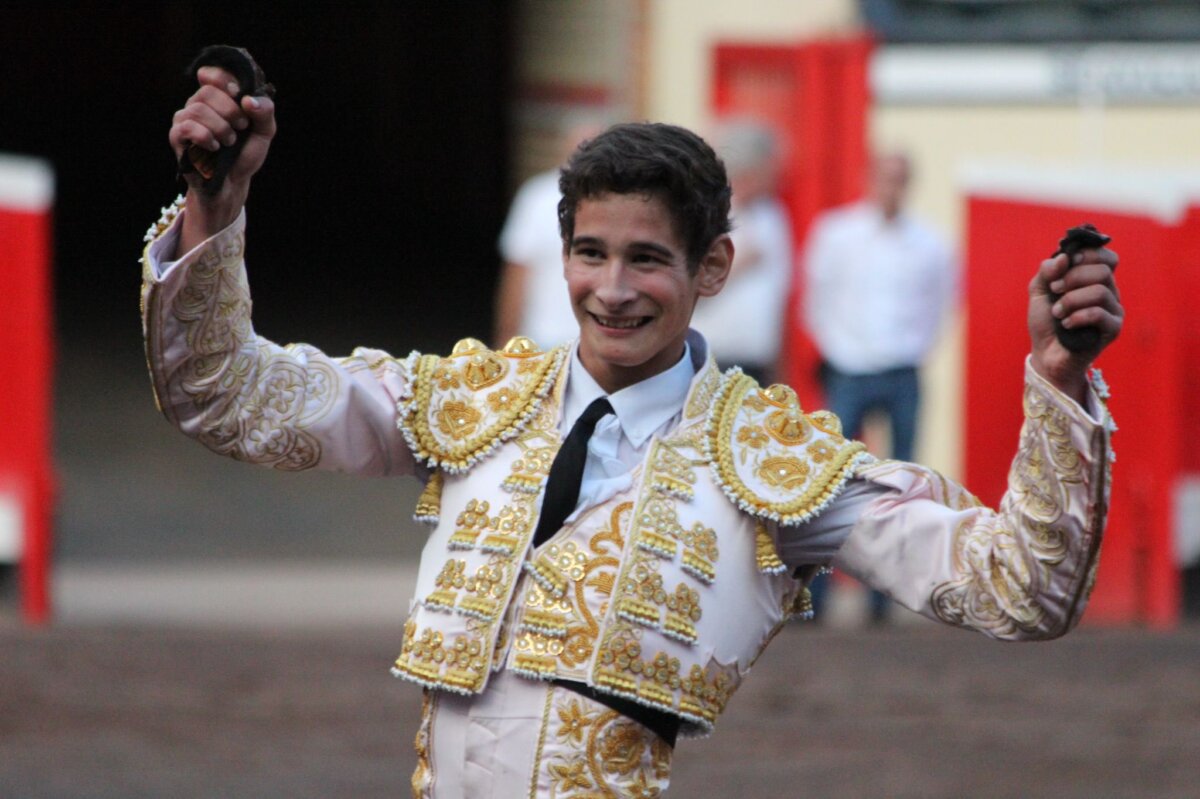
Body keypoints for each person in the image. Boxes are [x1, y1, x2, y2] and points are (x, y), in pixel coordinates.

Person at [143, 65, 1122, 798]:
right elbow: (226, 394)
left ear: (713, 268)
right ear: (561, 251)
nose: (611, 291)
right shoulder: (474, 401)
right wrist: (213, 208)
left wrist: (1058, 381)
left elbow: (1019, 588)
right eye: (590, 253)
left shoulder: (772, 463)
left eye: (648, 258)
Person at [802, 151, 956, 624]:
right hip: (849, 366)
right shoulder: (836, 233)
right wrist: (837, 346)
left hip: (901, 369)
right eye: (884, 178)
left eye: (899, 179)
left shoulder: (931, 244)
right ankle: (819, 598)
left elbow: (941, 304)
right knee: (829, 484)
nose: (891, 188)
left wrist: (913, 348)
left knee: (903, 488)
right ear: (869, 179)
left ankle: (882, 601)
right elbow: (816, 296)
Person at [690, 118, 792, 385]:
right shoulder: (705, 215)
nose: (777, 175)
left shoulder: (772, 216)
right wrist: (735, 266)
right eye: (771, 167)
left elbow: (779, 295)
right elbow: (686, 287)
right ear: (750, 170)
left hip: (758, 360)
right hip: (711, 357)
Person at [493, 116, 608, 349]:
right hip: (543, 339)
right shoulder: (537, 196)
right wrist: (505, 341)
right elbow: (517, 274)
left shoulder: (619, 204)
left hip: (596, 341)